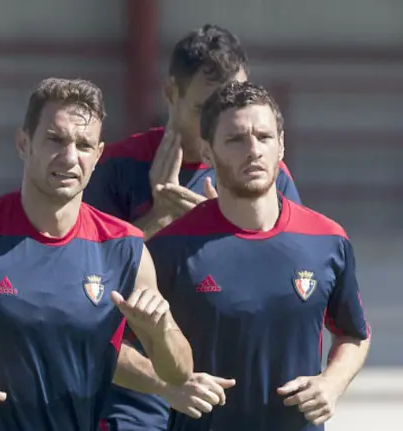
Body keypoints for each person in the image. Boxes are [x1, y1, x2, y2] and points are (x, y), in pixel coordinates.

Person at [0, 77, 193, 431]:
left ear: (98, 155)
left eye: (84, 145)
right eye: (55, 139)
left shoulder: (125, 249)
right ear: (24, 143)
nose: (69, 157)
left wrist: (160, 332)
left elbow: (178, 371)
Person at [84, 25, 303, 430]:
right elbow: (84, 281)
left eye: (232, 100)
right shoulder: (115, 167)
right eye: (207, 108)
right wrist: (156, 221)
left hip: (229, 384)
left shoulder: (270, 176)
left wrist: (225, 227)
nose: (224, 118)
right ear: (171, 93)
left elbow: (292, 276)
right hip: (138, 389)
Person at [153, 80, 370, 431]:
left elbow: (354, 334)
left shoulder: (327, 240)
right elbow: (114, 347)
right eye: (235, 139)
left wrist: (331, 383)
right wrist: (167, 386)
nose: (253, 150)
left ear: (281, 145)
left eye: (264, 137)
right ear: (207, 152)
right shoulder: (169, 248)